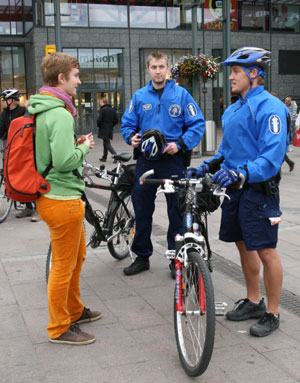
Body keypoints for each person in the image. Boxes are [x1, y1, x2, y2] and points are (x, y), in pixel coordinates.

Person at [189, 47, 289, 337]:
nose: (230, 77)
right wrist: (207, 166)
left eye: (235, 71)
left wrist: (242, 172)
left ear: (254, 73)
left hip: (258, 190)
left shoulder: (270, 108)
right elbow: (226, 152)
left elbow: (271, 156)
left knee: (266, 250)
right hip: (234, 188)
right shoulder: (232, 108)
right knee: (243, 244)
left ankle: (272, 312)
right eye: (230, 71)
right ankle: (254, 300)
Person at [28, 52, 101, 345]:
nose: (79, 81)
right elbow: (62, 161)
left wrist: (74, 144)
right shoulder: (58, 112)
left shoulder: (43, 108)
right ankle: (59, 327)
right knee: (62, 265)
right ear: (61, 79)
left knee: (77, 257)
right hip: (61, 198)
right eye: (76, 76)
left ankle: (74, 310)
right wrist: (83, 149)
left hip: (56, 196)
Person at [121, 50, 205, 277]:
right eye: (153, 67)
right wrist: (131, 137)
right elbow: (127, 124)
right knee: (141, 208)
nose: (158, 71)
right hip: (147, 160)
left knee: (176, 210)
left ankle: (175, 257)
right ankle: (141, 256)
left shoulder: (182, 95)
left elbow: (197, 124)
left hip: (173, 160)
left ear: (168, 69)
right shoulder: (139, 97)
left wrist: (181, 143)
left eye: (161, 67)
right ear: (147, 69)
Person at [0, 88, 40, 221]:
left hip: (27, 149)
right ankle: (28, 207)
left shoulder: (24, 111)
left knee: (29, 176)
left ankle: (37, 209)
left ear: (10, 100)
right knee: (17, 177)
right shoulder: (4, 114)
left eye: (3, 100)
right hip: (12, 148)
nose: (2, 103)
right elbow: (1, 131)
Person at [97, 97, 118, 162]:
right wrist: (112, 125)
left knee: (106, 143)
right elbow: (116, 120)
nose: (100, 103)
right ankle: (104, 157)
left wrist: (100, 125)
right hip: (109, 128)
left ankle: (115, 155)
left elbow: (99, 120)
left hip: (104, 128)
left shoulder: (102, 110)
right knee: (105, 142)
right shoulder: (112, 109)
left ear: (104, 102)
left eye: (101, 102)